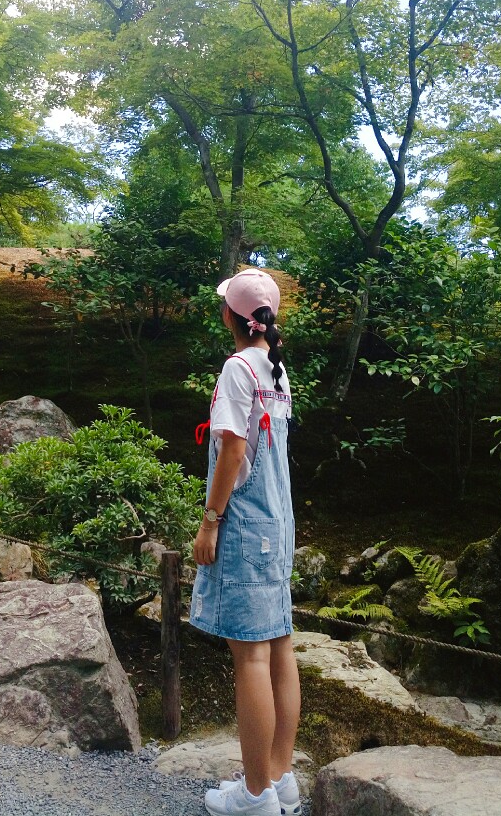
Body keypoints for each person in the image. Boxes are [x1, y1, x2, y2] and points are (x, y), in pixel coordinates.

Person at [191, 268, 301, 816]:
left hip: (247, 528)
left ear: (230, 316)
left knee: (251, 657)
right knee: (280, 647)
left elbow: (233, 452)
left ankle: (255, 796)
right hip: (278, 526)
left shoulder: (238, 369)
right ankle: (280, 779)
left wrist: (210, 521)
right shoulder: (276, 372)